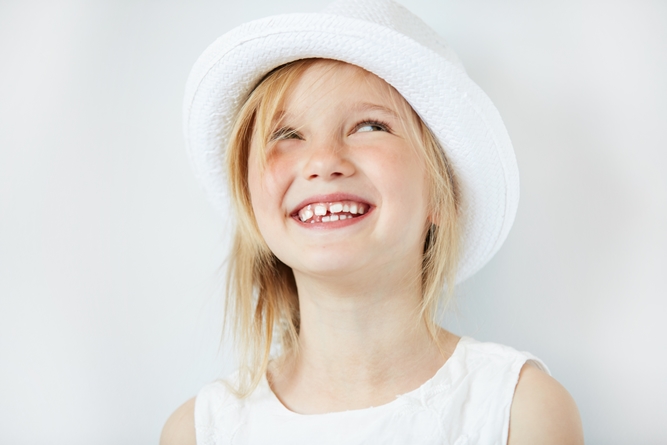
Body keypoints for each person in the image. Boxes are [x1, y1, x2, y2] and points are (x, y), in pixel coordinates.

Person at [162, 0, 584, 443]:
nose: (323, 162)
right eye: (286, 135)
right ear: (253, 205)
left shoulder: (518, 410)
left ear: (442, 197)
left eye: (368, 127)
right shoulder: (200, 431)